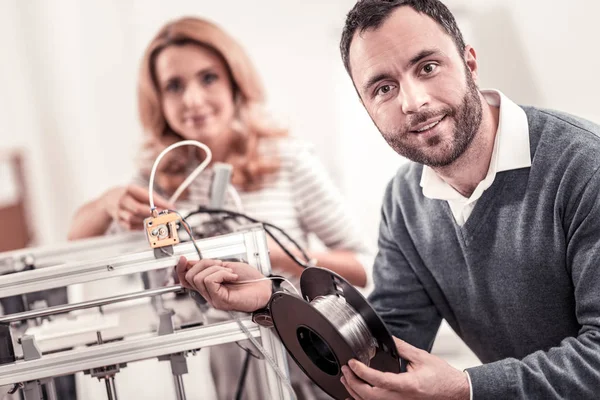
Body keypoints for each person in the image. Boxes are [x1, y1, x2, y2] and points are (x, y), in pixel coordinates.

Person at [176, 1, 600, 399]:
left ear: (470, 61)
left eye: (428, 67)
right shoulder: (404, 201)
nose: (414, 102)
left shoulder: (584, 167)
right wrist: (273, 299)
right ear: (366, 106)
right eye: (383, 88)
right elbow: (378, 352)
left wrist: (467, 388)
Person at [68, 16, 370, 400]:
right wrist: (108, 202)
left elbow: (364, 267)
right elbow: (77, 237)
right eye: (174, 86)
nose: (192, 100)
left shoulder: (288, 162)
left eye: (207, 78)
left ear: (234, 81)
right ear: (158, 101)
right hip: (212, 378)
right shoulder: (157, 182)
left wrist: (275, 256)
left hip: (309, 366)